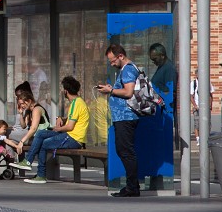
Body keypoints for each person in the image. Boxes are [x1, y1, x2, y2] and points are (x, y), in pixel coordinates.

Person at [22, 76, 90, 184]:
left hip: (73, 138)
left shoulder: (76, 104)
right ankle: (28, 161)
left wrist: (57, 129)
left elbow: (70, 127)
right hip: (70, 135)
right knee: (40, 133)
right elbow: (71, 119)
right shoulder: (77, 102)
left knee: (44, 143)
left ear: (66, 91)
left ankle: (41, 175)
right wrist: (60, 118)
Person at [98, 43, 141, 197]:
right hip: (122, 117)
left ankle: (132, 187)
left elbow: (128, 92)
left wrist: (111, 90)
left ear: (121, 56)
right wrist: (112, 89)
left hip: (126, 116)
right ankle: (132, 185)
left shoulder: (128, 69)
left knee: (125, 151)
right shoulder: (126, 69)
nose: (112, 64)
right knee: (123, 150)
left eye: (113, 60)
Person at [148, 43, 177, 111]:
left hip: (165, 109)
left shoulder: (169, 68)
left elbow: (171, 93)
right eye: (152, 60)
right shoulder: (162, 67)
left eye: (155, 59)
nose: (154, 62)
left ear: (162, 56)